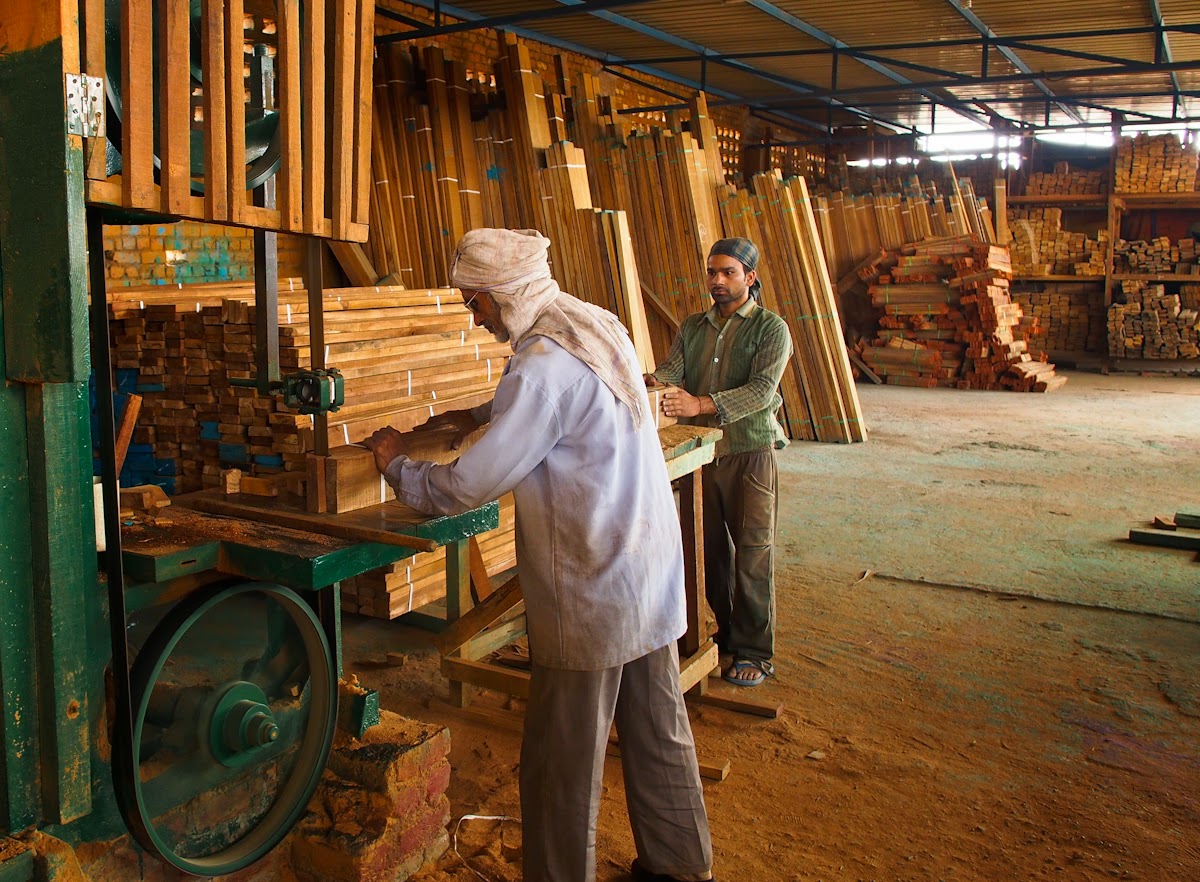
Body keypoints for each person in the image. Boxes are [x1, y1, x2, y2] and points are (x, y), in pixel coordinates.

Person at [362, 228, 715, 882]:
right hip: (647, 571)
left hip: (594, 591)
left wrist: (398, 467)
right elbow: (524, 410)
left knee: (561, 762)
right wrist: (447, 422)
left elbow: (469, 484)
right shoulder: (590, 321)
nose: (476, 316)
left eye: (477, 304)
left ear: (504, 295)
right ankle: (682, 868)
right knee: (658, 732)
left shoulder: (542, 365)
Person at [646, 238, 792, 688]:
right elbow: (670, 371)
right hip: (702, 456)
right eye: (713, 272)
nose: (717, 281)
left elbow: (761, 392)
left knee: (752, 553)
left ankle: (754, 652)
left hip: (749, 452)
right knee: (707, 553)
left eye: (729, 272)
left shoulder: (770, 329)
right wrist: (644, 380)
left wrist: (699, 405)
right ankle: (727, 637)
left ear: (750, 278)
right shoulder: (693, 326)